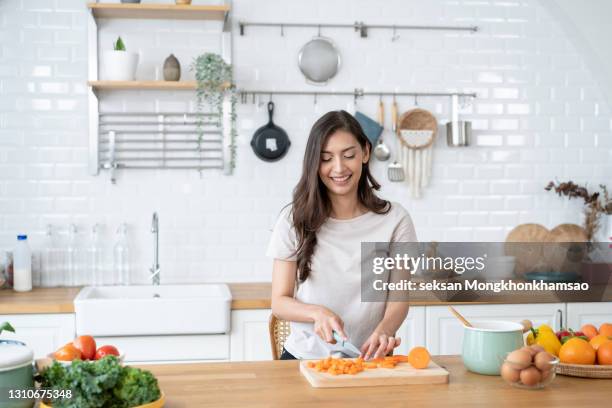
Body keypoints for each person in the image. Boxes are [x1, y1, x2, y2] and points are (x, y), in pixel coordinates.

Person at [267, 110, 417, 360]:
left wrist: (385, 330)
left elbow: (398, 299)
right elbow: (279, 302)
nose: (338, 168)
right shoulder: (294, 220)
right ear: (314, 162)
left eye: (349, 155)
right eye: (326, 159)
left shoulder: (395, 220)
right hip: (305, 360)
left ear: (366, 153)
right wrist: (317, 313)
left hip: (370, 360)